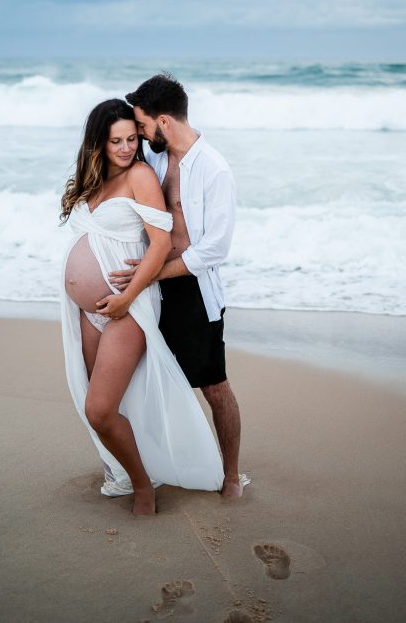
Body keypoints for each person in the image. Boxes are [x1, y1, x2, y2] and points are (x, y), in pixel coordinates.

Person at [59, 98, 223, 515]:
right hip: (89, 310)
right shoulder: (91, 180)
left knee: (99, 409)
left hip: (128, 307)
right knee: (103, 403)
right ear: (97, 143)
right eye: (116, 141)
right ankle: (129, 471)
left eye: (132, 138)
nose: (127, 148)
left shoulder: (140, 176)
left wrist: (126, 298)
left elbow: (162, 242)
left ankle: (143, 487)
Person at [99, 74, 247, 499]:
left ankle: (232, 475)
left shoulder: (213, 168)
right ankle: (156, 465)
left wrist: (152, 274)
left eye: (142, 127)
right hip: (150, 288)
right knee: (144, 380)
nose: (139, 136)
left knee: (214, 385)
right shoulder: (155, 161)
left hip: (192, 291)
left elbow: (215, 248)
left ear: (163, 121)